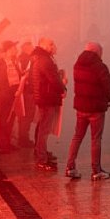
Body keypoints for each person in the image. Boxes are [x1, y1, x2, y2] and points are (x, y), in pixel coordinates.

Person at [65, 42, 110, 181]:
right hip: (96, 109)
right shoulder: (99, 66)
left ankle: (70, 167)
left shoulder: (77, 64)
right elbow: (109, 84)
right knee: (96, 139)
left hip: (81, 107)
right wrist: (107, 98)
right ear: (97, 52)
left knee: (77, 136)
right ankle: (96, 170)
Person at [29, 38, 66, 171]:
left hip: (44, 97)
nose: (53, 46)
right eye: (51, 44)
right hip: (46, 97)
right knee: (44, 129)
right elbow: (53, 79)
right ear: (43, 45)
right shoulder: (44, 60)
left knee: (43, 127)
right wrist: (63, 88)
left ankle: (42, 153)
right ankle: (41, 159)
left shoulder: (42, 58)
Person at [0, 40, 21, 154]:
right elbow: (1, 81)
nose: (16, 50)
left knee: (10, 120)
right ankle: (2, 145)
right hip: (5, 96)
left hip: (13, 95)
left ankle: (6, 143)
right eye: (14, 48)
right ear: (8, 50)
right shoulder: (2, 63)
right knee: (4, 120)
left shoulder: (13, 62)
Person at [15, 41, 35, 148]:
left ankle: (22, 138)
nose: (32, 48)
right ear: (26, 48)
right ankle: (24, 140)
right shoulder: (26, 59)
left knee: (22, 117)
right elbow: (26, 75)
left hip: (24, 91)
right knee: (26, 116)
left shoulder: (20, 58)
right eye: (31, 46)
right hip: (27, 91)